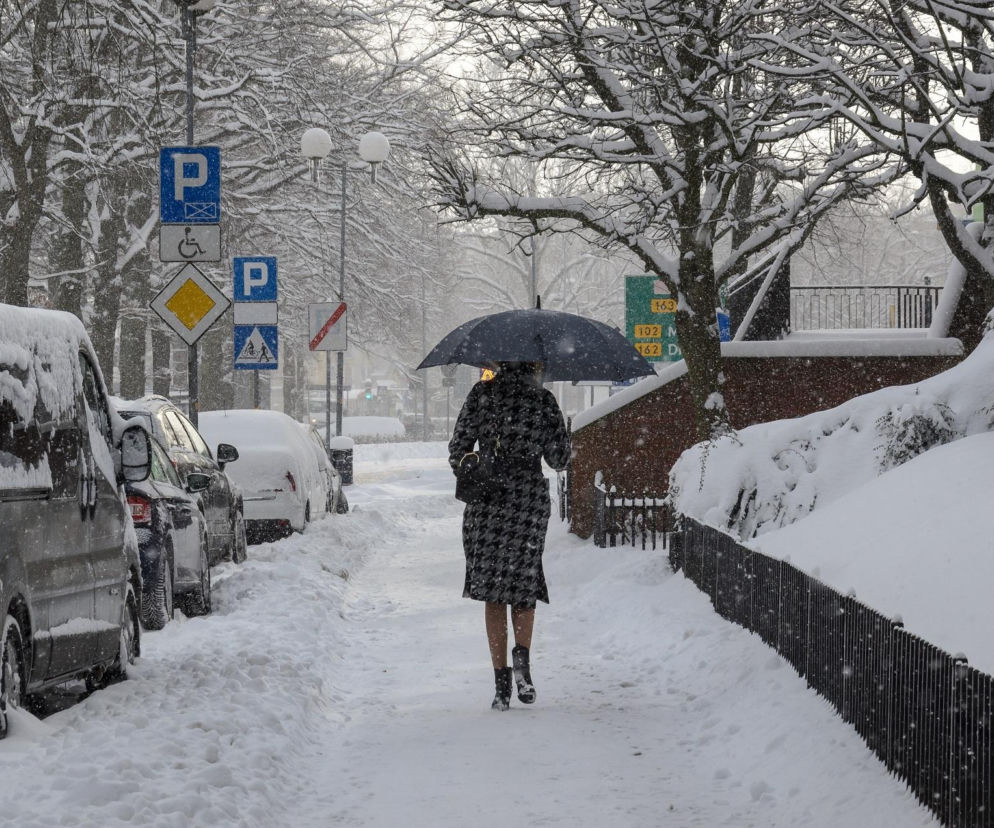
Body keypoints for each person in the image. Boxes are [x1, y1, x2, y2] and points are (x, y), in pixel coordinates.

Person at [448, 361, 571, 711]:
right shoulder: (543, 401)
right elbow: (559, 459)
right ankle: (523, 662)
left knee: (493, 592)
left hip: (487, 501)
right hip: (527, 503)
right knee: (523, 586)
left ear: (498, 362)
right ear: (535, 364)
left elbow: (457, 450)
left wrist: (478, 463)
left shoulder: (482, 395)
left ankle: (501, 685)